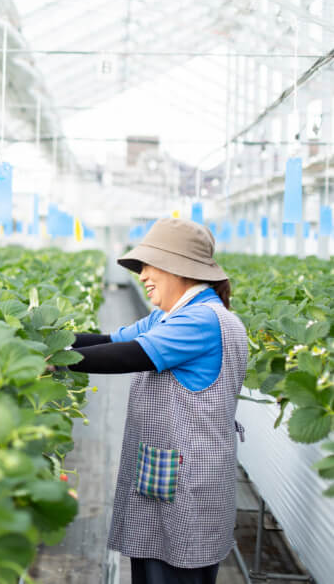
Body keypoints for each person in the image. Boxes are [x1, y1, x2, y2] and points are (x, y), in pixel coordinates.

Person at [63, 218, 247, 584]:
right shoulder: (169, 315)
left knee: (176, 572)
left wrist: (54, 360)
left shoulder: (202, 320)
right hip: (169, 471)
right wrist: (44, 339)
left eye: (150, 265)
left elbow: (128, 356)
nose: (143, 274)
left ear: (179, 267)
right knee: (152, 568)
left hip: (191, 484)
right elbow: (109, 341)